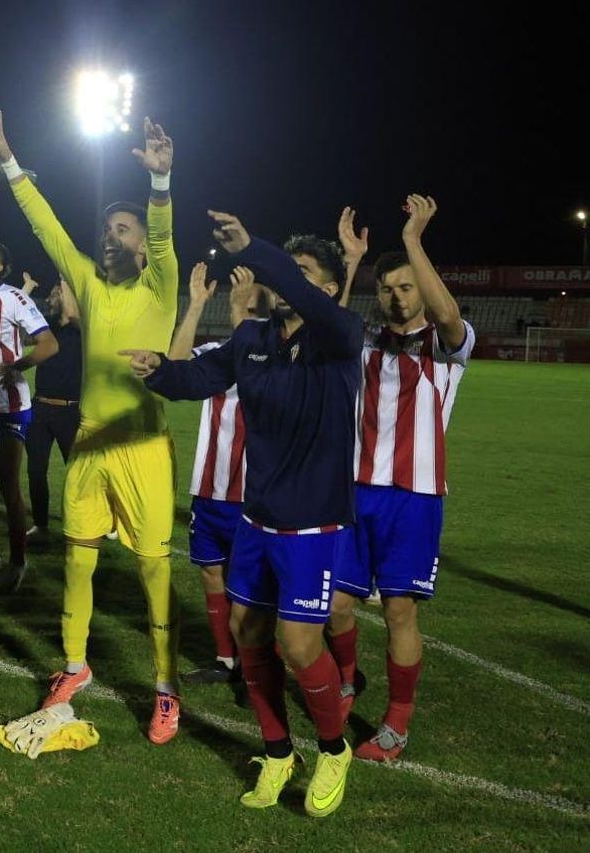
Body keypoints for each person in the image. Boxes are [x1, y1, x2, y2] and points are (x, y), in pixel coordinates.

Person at [133, 211, 362, 816]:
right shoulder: (252, 340)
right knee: (248, 633)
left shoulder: (339, 338)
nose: (288, 286)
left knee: (299, 643)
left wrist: (257, 250)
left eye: (305, 277)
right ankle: (279, 751)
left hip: (312, 523)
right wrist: (159, 371)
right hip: (255, 518)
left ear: (329, 289)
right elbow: (195, 380)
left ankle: (333, 748)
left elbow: (303, 292)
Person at [0, 110, 183, 743]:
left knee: (154, 572)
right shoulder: (92, 287)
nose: (110, 236)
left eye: (123, 229)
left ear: (142, 242)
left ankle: (166, 686)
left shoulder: (161, 284)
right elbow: (46, 228)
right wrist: (10, 161)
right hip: (90, 449)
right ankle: (74, 666)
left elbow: (162, 235)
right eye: (107, 227)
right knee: (78, 562)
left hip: (143, 450)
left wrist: (159, 183)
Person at [328, 196, 474, 762]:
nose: (396, 296)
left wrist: (415, 241)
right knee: (337, 605)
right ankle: (345, 681)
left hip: (413, 499)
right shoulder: (362, 342)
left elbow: (448, 318)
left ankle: (396, 724)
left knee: (398, 612)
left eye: (406, 287)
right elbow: (327, 327)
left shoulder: (446, 349)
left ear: (422, 289)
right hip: (354, 491)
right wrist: (350, 263)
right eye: (387, 287)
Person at [167, 261, 263, 685]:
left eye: (252, 305)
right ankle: (226, 662)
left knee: (249, 586)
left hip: (255, 493)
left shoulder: (276, 357)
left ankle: (256, 667)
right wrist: (196, 305)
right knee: (211, 572)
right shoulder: (219, 358)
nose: (242, 309)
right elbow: (174, 364)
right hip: (209, 487)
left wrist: (243, 316)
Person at [0, 236, 58, 590]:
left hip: (7, 406)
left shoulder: (12, 298)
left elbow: (50, 344)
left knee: (7, 485)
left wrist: (17, 365)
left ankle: (19, 560)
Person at [23, 273, 82, 539]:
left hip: (70, 411)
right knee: (36, 470)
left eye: (54, 293)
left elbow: (70, 312)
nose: (49, 298)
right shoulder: (46, 328)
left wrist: (65, 277)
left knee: (78, 473)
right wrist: (26, 289)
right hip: (40, 409)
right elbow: (16, 322)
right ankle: (41, 525)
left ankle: (87, 522)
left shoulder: (81, 328)